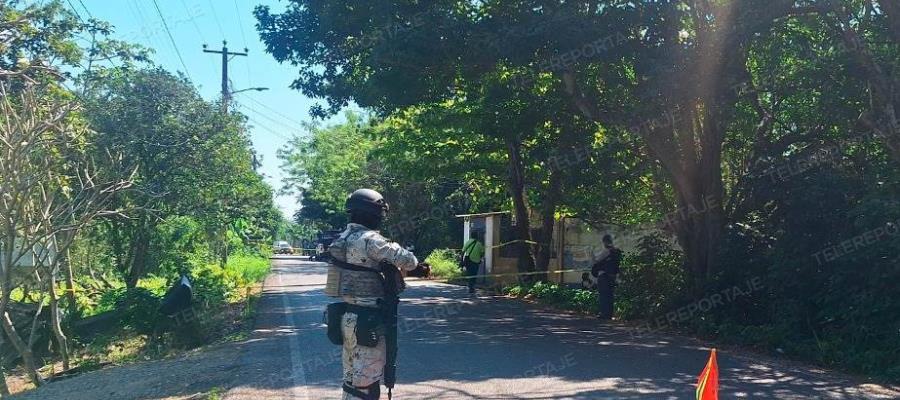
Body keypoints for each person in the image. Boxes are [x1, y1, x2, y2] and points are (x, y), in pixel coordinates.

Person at [324, 189, 422, 400]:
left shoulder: (342, 238)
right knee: (367, 384)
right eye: (380, 213)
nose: (381, 218)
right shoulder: (370, 240)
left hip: (348, 317)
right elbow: (409, 261)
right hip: (369, 320)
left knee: (351, 379)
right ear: (371, 214)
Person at [591, 234, 622, 320]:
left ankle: (604, 314)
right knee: (610, 295)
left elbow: (596, 262)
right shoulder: (616, 251)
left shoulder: (606, 251)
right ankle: (610, 314)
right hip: (612, 276)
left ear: (604, 242)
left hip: (604, 276)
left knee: (603, 295)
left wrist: (592, 256)